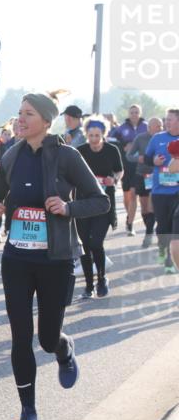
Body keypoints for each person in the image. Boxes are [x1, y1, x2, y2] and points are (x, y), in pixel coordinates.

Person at [0, 92, 109, 420]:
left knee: (47, 336)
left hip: (55, 259)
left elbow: (100, 201)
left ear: (46, 120)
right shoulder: (10, 156)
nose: (20, 119)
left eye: (28, 114)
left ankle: (64, 348)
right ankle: (28, 413)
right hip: (17, 258)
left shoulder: (67, 156)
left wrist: (68, 208)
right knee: (20, 337)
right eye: (19, 113)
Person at [77, 117, 124, 298]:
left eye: (97, 136)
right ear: (86, 135)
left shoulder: (112, 150)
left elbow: (119, 170)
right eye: (91, 136)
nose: (94, 140)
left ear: (103, 135)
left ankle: (102, 279)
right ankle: (89, 285)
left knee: (96, 242)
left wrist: (115, 179)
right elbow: (71, 172)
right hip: (83, 203)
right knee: (84, 245)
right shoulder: (80, 151)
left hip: (104, 203)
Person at [145, 108, 179, 274]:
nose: (166, 122)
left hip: (177, 192)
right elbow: (146, 158)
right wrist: (154, 160)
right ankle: (161, 248)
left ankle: (169, 261)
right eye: (165, 119)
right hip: (160, 191)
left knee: (175, 228)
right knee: (163, 226)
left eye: (170, 119)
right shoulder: (157, 138)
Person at [110, 105, 149, 236]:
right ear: (128, 113)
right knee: (127, 194)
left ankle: (130, 222)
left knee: (134, 194)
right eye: (132, 112)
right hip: (126, 164)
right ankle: (129, 215)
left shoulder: (146, 126)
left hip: (141, 166)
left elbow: (153, 139)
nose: (134, 114)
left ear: (140, 113)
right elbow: (110, 140)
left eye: (136, 112)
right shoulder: (122, 128)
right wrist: (124, 146)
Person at [128, 116, 162, 248]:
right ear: (149, 128)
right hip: (142, 174)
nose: (160, 128)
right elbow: (129, 156)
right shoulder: (140, 138)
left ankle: (148, 234)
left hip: (157, 175)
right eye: (157, 126)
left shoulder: (163, 138)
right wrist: (139, 158)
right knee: (144, 207)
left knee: (152, 205)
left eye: (161, 125)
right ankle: (149, 228)